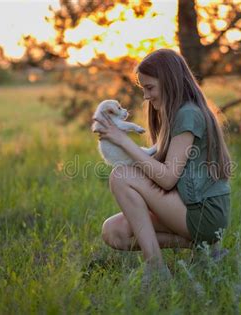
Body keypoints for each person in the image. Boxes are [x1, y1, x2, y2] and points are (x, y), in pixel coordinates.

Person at [92, 48, 232, 279]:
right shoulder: (175, 113)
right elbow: (158, 172)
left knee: (120, 176)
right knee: (114, 232)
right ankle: (204, 248)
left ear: (169, 82)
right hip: (187, 206)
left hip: (203, 213)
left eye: (149, 88)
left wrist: (123, 141)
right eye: (143, 89)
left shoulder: (188, 114)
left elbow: (167, 178)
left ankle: (156, 269)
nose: (146, 96)